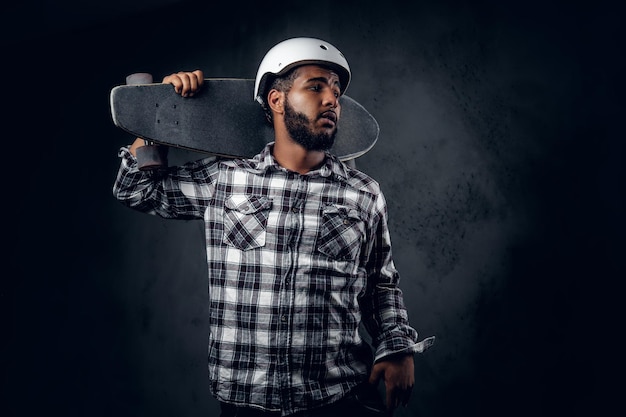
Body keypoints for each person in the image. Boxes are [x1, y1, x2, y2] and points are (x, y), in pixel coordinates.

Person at [113, 37, 434, 417]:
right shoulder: (225, 179)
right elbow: (136, 190)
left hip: (336, 397)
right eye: (315, 87)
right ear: (276, 101)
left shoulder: (363, 194)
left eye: (335, 91)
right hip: (246, 402)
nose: (332, 99)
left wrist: (396, 347)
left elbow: (380, 283)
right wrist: (156, 117)